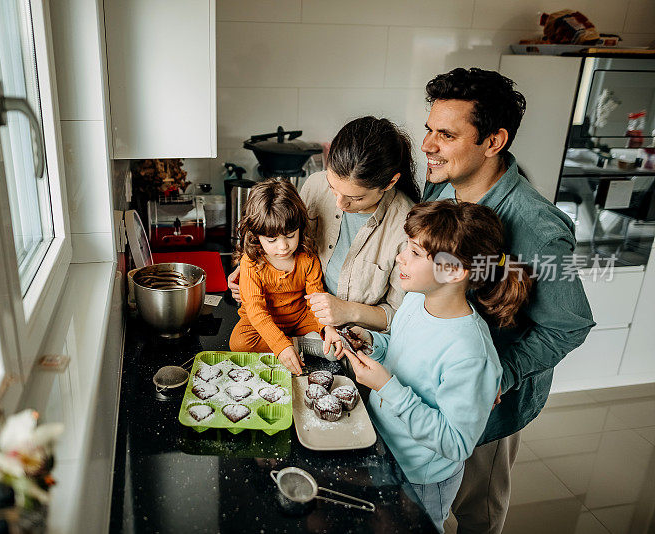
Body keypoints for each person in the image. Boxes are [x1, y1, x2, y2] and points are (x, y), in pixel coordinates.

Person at [420, 68, 595, 533]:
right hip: (433, 380)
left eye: (446, 135)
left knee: (475, 512)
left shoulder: (539, 228)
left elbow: (569, 324)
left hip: (489, 401)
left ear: (493, 142)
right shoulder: (441, 187)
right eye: (428, 130)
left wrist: (502, 373)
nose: (428, 147)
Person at [333, 200, 531, 533]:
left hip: (422, 478)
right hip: (387, 450)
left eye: (413, 252)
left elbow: (456, 443)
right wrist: (369, 342)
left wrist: (387, 387)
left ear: (453, 270)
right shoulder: (415, 300)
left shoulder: (471, 354)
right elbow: (400, 353)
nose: (400, 257)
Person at [228, 117, 420, 333]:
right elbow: (286, 241)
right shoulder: (315, 185)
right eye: (333, 188)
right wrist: (253, 267)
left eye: (355, 198)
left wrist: (348, 311)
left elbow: (402, 315)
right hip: (297, 320)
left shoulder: (409, 227)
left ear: (390, 182)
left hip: (357, 340)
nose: (340, 204)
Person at [228, 179, 340, 373]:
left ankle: (298, 343)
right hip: (263, 321)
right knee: (238, 343)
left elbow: (316, 299)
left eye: (290, 236)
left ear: (300, 227)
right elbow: (256, 311)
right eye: (271, 239)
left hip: (300, 317)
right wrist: (281, 347)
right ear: (256, 235)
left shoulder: (307, 258)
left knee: (335, 345)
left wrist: (327, 329)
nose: (283, 247)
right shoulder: (251, 263)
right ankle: (295, 345)